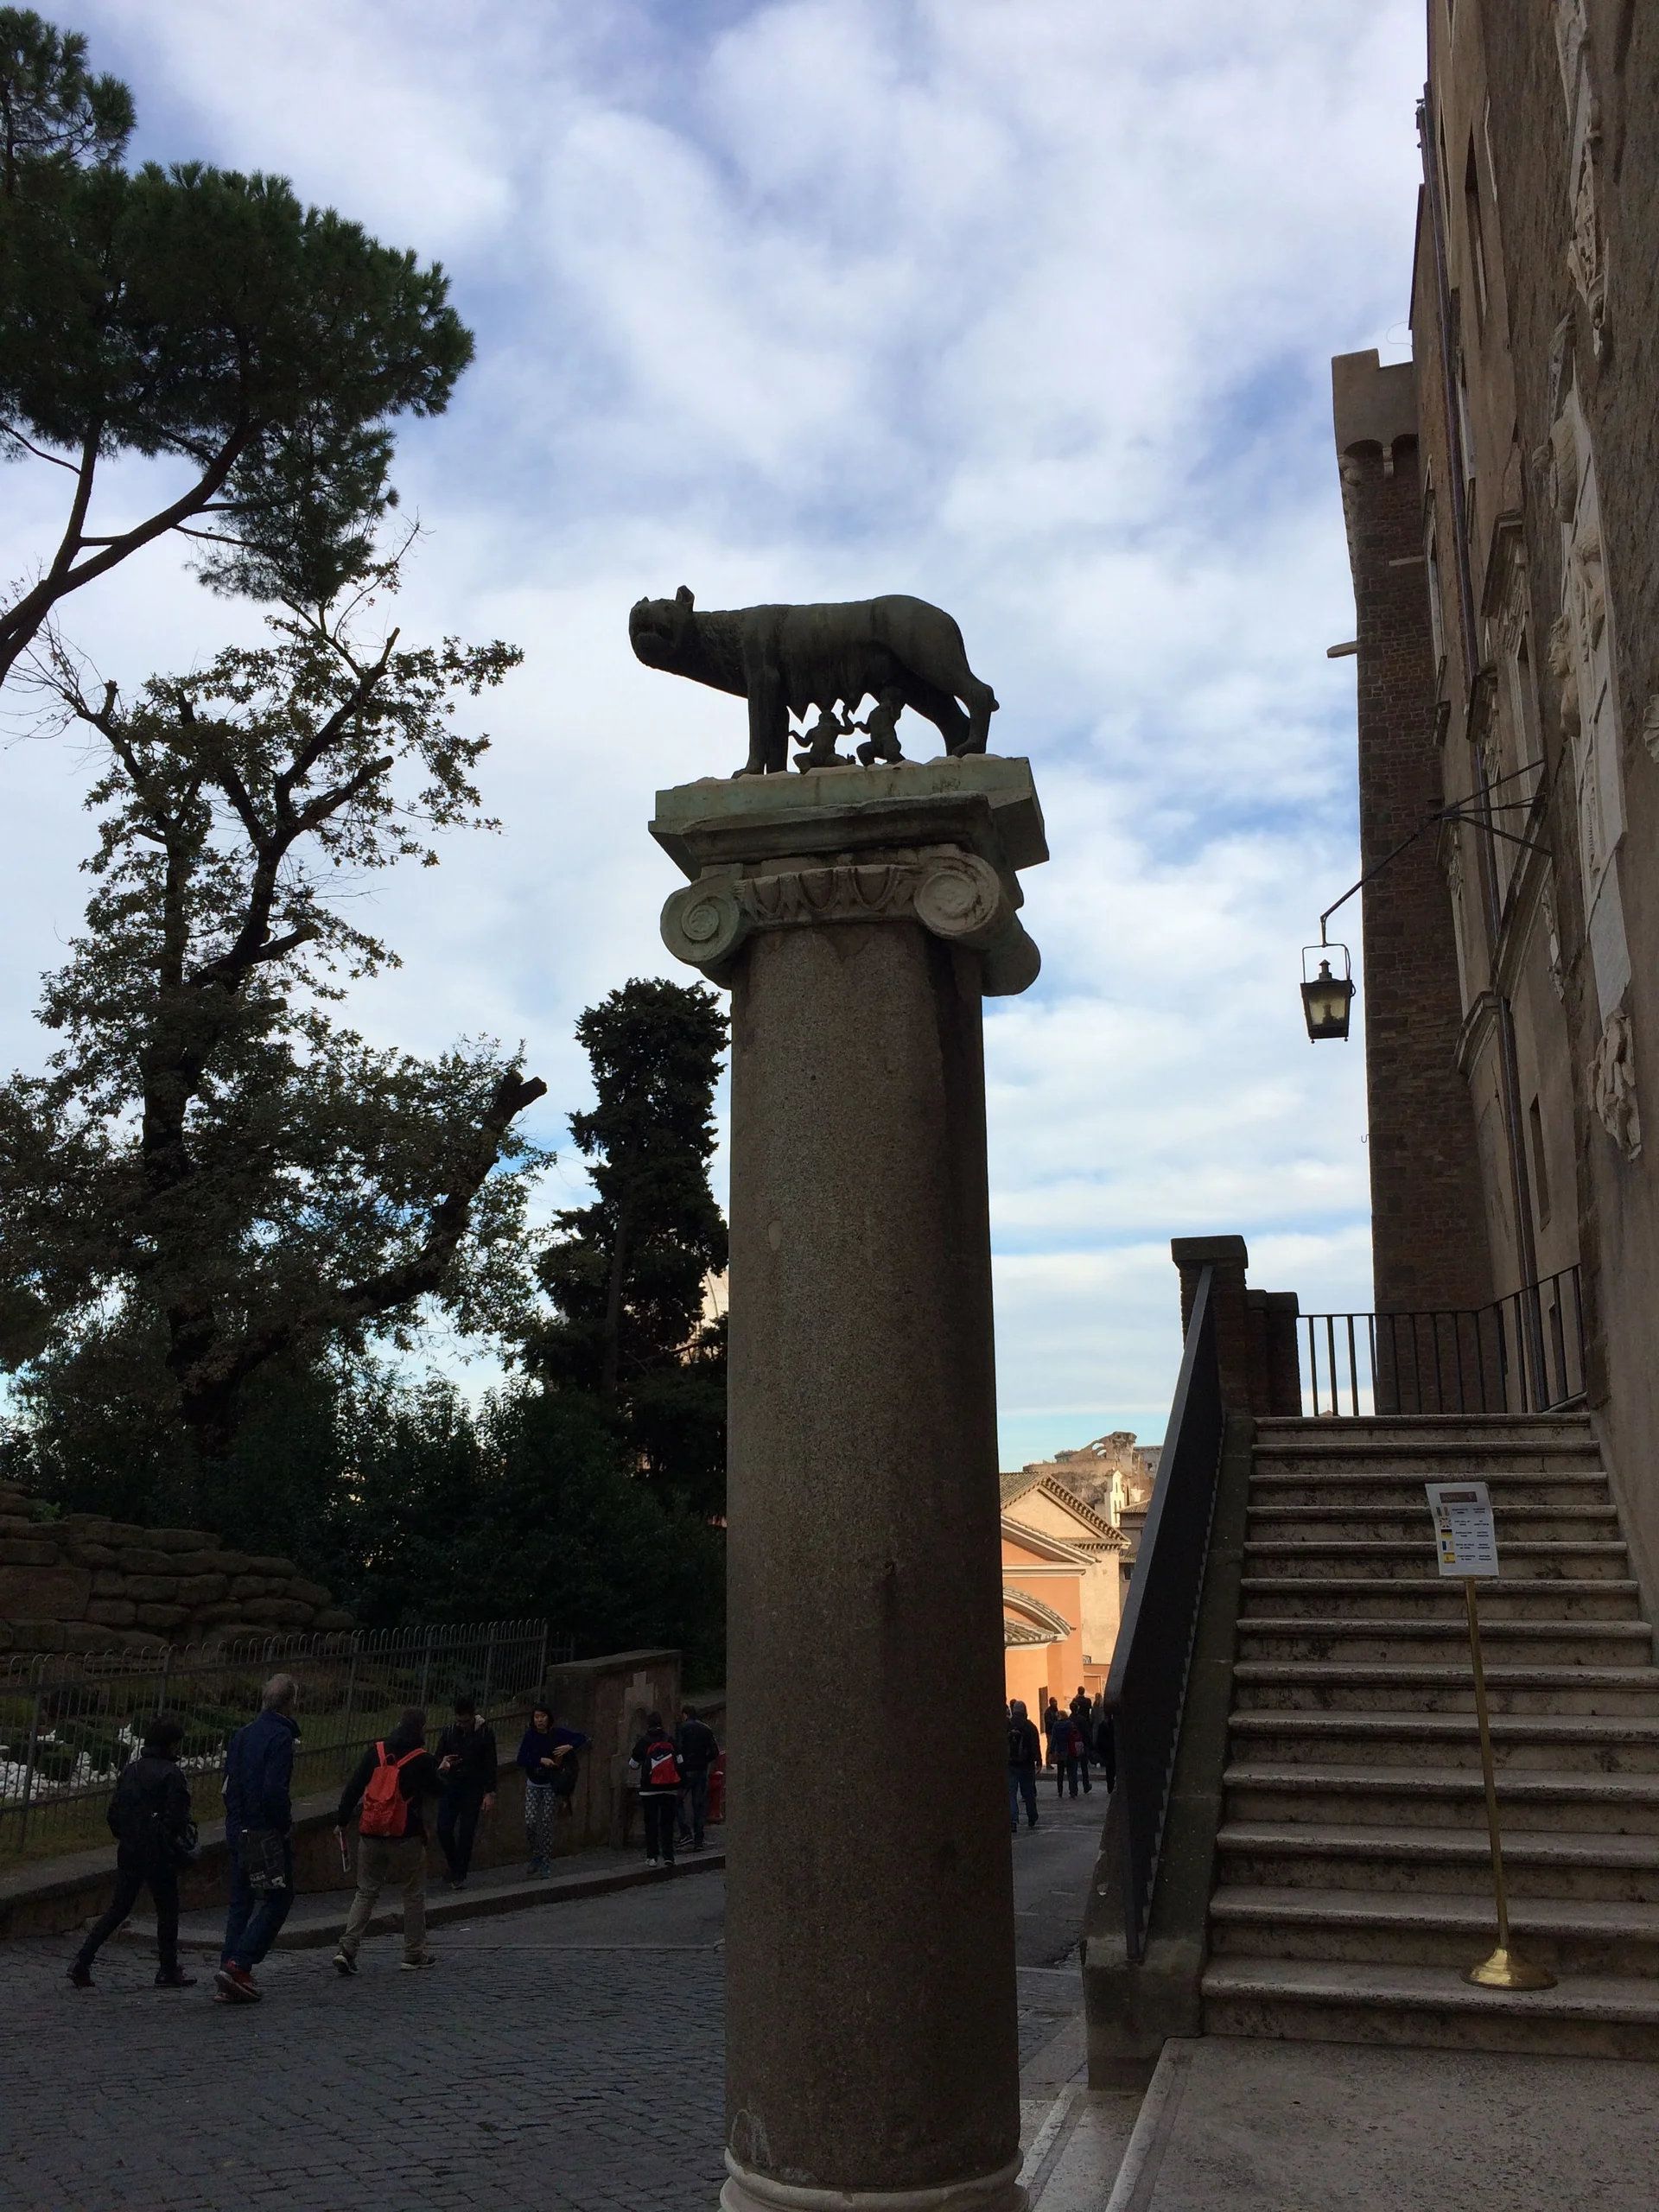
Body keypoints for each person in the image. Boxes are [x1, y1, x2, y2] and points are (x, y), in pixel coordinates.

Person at [69, 1713, 197, 1990]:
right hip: (158, 1852)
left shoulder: (132, 1771)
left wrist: (129, 1835)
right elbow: (177, 1818)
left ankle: (83, 1959)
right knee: (167, 1910)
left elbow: (114, 1813)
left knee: (118, 1908)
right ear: (170, 1745)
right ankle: (167, 1969)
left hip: (130, 1848)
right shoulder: (171, 1774)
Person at [331, 1707, 443, 1975]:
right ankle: (413, 1954)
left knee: (365, 1892)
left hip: (371, 1833)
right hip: (406, 1836)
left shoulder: (376, 1751)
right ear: (421, 1729)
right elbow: (439, 1789)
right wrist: (444, 1770)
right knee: (413, 1893)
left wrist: (342, 1821)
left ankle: (347, 1948)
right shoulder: (422, 1759)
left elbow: (354, 1787)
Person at [216, 1673, 300, 2005]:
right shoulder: (280, 1737)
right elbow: (273, 1790)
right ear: (291, 1703)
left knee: (241, 1902)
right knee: (279, 1899)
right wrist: (284, 1824)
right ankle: (240, 1962)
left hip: (238, 1828)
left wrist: (235, 1823)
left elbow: (229, 1785)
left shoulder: (243, 1734)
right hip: (265, 1830)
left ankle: (229, 1968)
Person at [434, 1692, 498, 1891]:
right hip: (451, 1785)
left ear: (473, 1716)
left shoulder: (485, 1733)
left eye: (466, 1721)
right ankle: (454, 1864)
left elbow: (491, 1764)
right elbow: (438, 1756)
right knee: (443, 1828)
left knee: (467, 1832)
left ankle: (459, 1873)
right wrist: (444, 1763)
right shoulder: (449, 1732)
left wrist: (490, 1792)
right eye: (459, 1721)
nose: (462, 1725)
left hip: (473, 1787)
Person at [517, 1702, 585, 1875]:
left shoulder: (557, 1734)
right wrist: (540, 1760)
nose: (540, 1720)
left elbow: (581, 1737)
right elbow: (521, 1759)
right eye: (537, 1717)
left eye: (543, 1717)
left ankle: (546, 1861)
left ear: (548, 1718)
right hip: (533, 1783)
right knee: (530, 1821)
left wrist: (569, 1746)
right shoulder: (530, 1736)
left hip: (551, 1784)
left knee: (547, 1824)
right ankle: (536, 1853)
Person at [631, 1710, 683, 1868]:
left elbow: (633, 1764)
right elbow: (681, 1762)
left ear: (648, 1725)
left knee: (651, 1823)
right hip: (669, 1788)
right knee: (667, 1823)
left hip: (649, 1789)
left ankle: (652, 1856)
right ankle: (669, 1856)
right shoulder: (670, 1740)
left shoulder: (643, 1742)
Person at [674, 1704, 720, 1852]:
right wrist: (704, 1761)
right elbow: (715, 1751)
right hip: (701, 1770)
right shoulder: (706, 1729)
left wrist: (680, 1767)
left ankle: (686, 1832)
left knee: (677, 1800)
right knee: (699, 1805)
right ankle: (699, 1839)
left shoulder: (682, 1728)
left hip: (687, 1770)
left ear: (685, 1714)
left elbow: (679, 1750)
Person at [1007, 1700, 1040, 1834]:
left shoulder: (1008, 1725)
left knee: (1011, 1793)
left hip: (1011, 1764)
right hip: (1026, 1764)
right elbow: (1035, 1745)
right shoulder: (1030, 1727)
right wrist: (1039, 1761)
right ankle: (1032, 1816)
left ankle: (1013, 1820)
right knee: (1028, 1793)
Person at [1069, 1686, 1095, 1796]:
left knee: (1073, 1769)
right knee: (1084, 1767)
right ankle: (1086, 1786)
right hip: (1082, 1743)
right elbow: (1086, 1733)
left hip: (1072, 1745)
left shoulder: (1069, 1720)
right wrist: (1091, 1744)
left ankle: (1073, 1789)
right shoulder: (1087, 1702)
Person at [1042, 1697, 1066, 1777]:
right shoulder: (1048, 1712)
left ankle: (1053, 1760)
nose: (1056, 1703)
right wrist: (1056, 1723)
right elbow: (1048, 1722)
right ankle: (1048, 1762)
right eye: (1054, 1702)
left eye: (1056, 1701)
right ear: (1051, 1702)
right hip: (1050, 1731)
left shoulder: (1055, 1710)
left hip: (1055, 1730)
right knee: (1050, 1746)